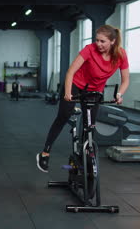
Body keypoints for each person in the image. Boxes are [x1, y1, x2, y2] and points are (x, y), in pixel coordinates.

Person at [36, 24, 130, 173]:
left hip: (95, 91)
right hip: (75, 85)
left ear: (112, 41)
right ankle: (45, 153)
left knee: (90, 125)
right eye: (97, 40)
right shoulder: (89, 49)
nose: (98, 44)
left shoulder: (120, 55)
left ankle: (84, 153)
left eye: (102, 41)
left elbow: (125, 80)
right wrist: (67, 92)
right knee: (63, 116)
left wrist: (119, 94)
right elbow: (70, 72)